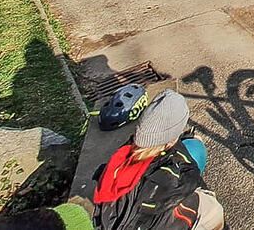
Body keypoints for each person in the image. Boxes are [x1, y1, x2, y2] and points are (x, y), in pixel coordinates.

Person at [92, 90, 224, 230]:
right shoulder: (167, 177)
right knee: (212, 209)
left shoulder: (121, 157)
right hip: (149, 219)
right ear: (172, 138)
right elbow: (187, 182)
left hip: (114, 219)